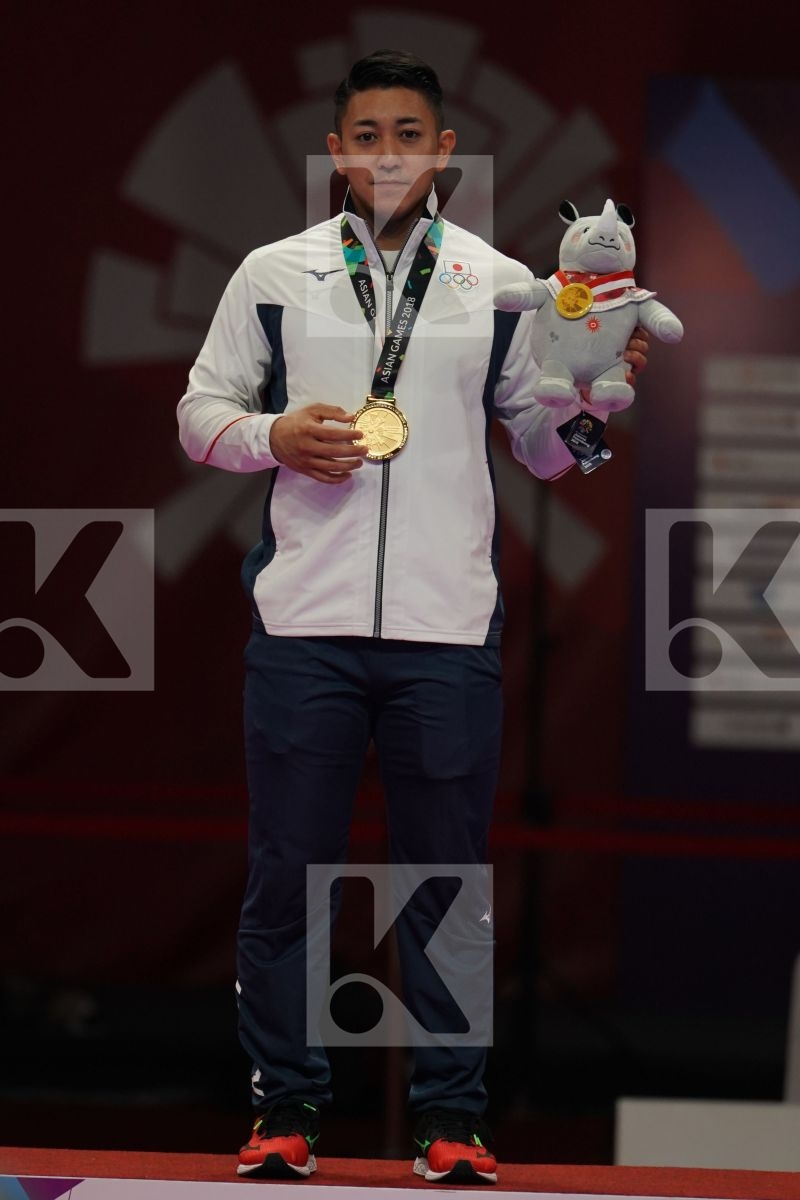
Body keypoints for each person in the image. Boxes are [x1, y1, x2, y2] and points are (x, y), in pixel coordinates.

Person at [177, 49, 647, 1185]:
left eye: (407, 135)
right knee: (287, 873)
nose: (386, 154)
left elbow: (541, 448)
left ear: (443, 150)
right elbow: (200, 413)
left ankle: (453, 1119)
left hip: (446, 628)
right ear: (335, 151)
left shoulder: (498, 282)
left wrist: (590, 407)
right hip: (306, 628)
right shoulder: (274, 272)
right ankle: (285, 1108)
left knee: (447, 881)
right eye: (366, 135)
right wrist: (271, 436)